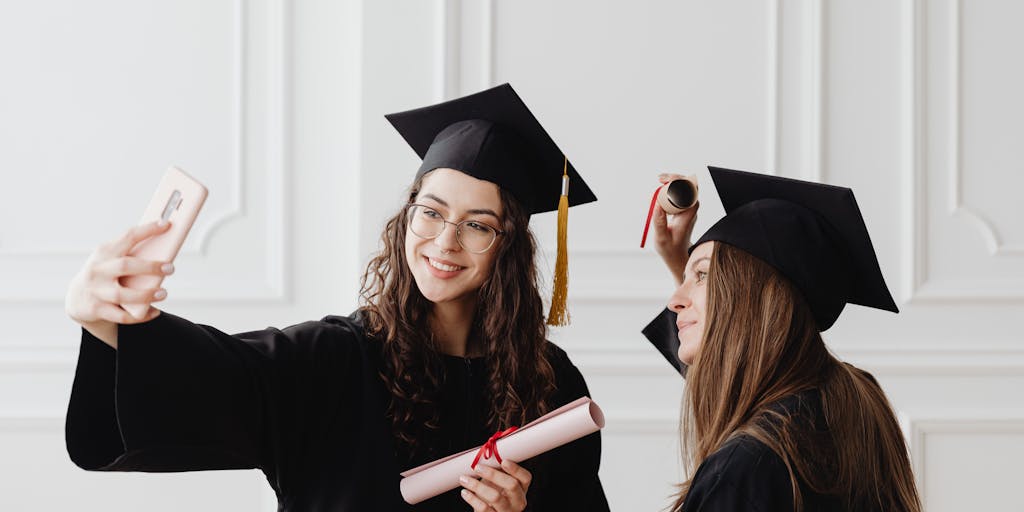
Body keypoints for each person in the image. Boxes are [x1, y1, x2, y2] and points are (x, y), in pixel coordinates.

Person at [63, 83, 610, 512]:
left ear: (507, 247)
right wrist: (113, 323)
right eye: (432, 211)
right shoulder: (335, 360)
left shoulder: (551, 388)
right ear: (407, 217)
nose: (445, 240)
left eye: (478, 225)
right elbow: (221, 373)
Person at [642, 167, 922, 511]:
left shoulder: (746, 467)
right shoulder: (854, 408)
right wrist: (682, 263)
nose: (675, 300)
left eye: (701, 275)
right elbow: (728, 381)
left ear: (753, 294)